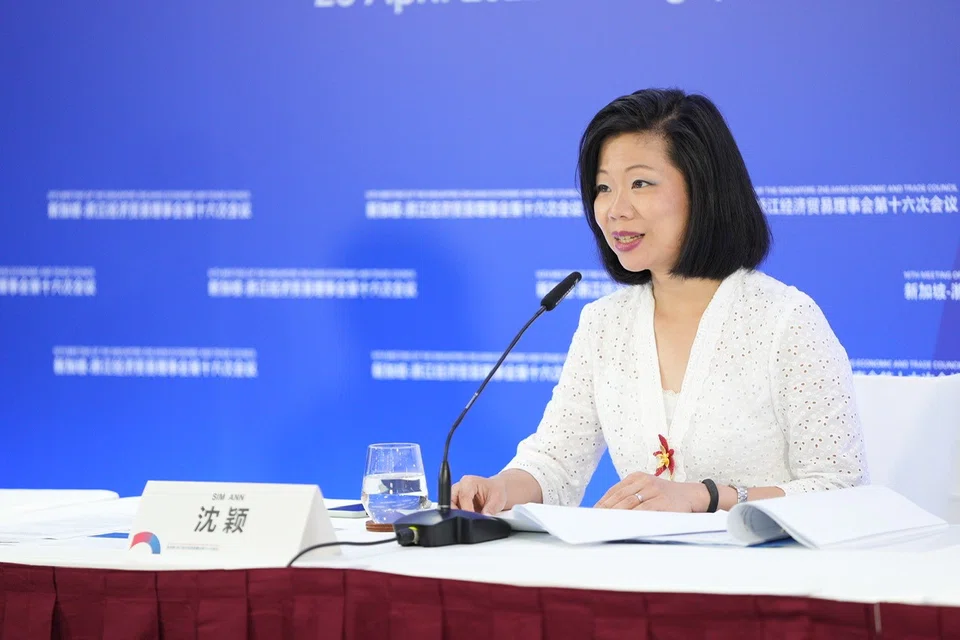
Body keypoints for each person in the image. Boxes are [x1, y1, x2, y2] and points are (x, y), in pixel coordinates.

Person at [451, 88, 868, 515]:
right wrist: (499, 487)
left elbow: (842, 488)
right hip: (640, 569)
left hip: (760, 571)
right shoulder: (604, 323)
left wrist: (707, 497)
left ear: (703, 190)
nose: (615, 209)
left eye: (640, 183)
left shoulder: (784, 320)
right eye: (603, 187)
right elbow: (555, 461)